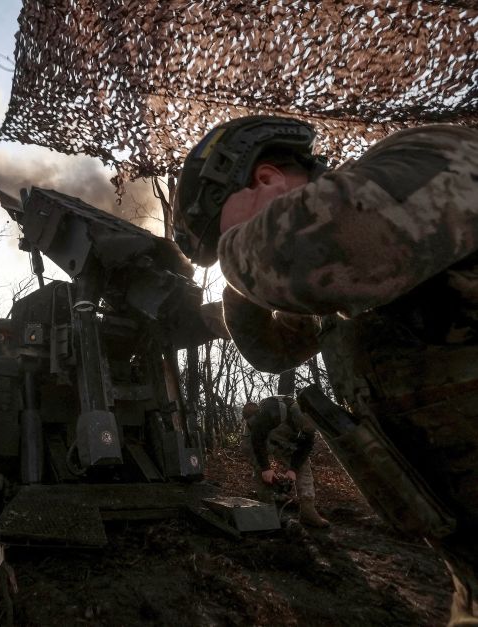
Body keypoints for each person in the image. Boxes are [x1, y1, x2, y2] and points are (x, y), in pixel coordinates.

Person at [173, 115, 478, 624]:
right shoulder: (339, 279)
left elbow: (304, 250)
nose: (235, 250)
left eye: (231, 234)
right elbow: (273, 352)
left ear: (266, 180)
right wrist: (240, 293)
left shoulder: (430, 152)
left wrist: (239, 256)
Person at [241, 396, 329, 528]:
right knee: (261, 470)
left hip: (283, 441)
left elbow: (305, 448)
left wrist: (293, 469)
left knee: (303, 466)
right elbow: (257, 440)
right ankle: (269, 510)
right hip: (255, 438)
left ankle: (308, 511)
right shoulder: (271, 410)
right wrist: (266, 468)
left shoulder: (309, 423)